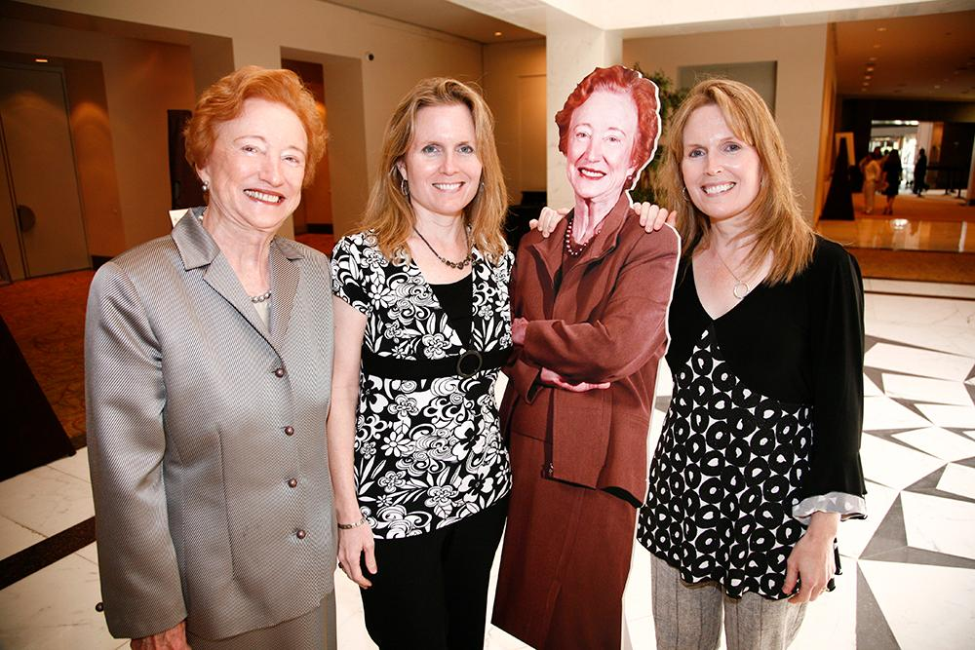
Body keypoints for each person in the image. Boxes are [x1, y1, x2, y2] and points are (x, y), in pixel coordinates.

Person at [85, 66, 336, 649]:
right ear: (202, 161)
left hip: (308, 582)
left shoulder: (314, 272)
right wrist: (153, 609)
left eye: (292, 157)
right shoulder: (134, 286)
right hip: (213, 601)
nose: (272, 174)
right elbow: (127, 472)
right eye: (251, 148)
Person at [635, 78, 866, 650]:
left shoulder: (823, 268)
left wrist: (821, 532)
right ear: (680, 168)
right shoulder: (670, 261)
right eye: (696, 151)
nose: (713, 166)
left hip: (774, 513)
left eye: (731, 146)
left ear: (765, 154)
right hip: (682, 498)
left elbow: (840, 410)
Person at [492, 65, 680, 650]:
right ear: (565, 141)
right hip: (528, 457)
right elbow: (498, 345)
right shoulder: (535, 240)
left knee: (586, 624)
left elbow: (614, 347)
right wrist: (536, 358)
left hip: (600, 465)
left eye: (614, 137)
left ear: (637, 157)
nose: (592, 152)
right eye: (581, 133)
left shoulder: (652, 241)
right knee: (535, 624)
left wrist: (527, 332)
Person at [328, 77, 512, 649]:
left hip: (482, 494)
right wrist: (347, 516)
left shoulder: (495, 255)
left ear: (483, 161)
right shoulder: (363, 256)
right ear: (401, 164)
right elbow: (340, 394)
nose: (449, 164)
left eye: (464, 147)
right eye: (430, 148)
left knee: (465, 641)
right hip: (391, 508)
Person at [882, 147, 903, 215]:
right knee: (893, 194)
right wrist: (901, 178)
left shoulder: (888, 162)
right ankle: (889, 207)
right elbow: (900, 172)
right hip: (895, 179)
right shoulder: (898, 162)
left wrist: (883, 180)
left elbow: (885, 172)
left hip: (888, 179)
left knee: (888, 194)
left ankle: (888, 207)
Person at [862, 148, 882, 215]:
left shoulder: (873, 163)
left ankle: (869, 209)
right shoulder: (867, 163)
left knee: (870, 196)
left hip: (871, 180)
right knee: (866, 195)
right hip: (866, 181)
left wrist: (876, 178)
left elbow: (878, 170)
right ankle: (867, 207)